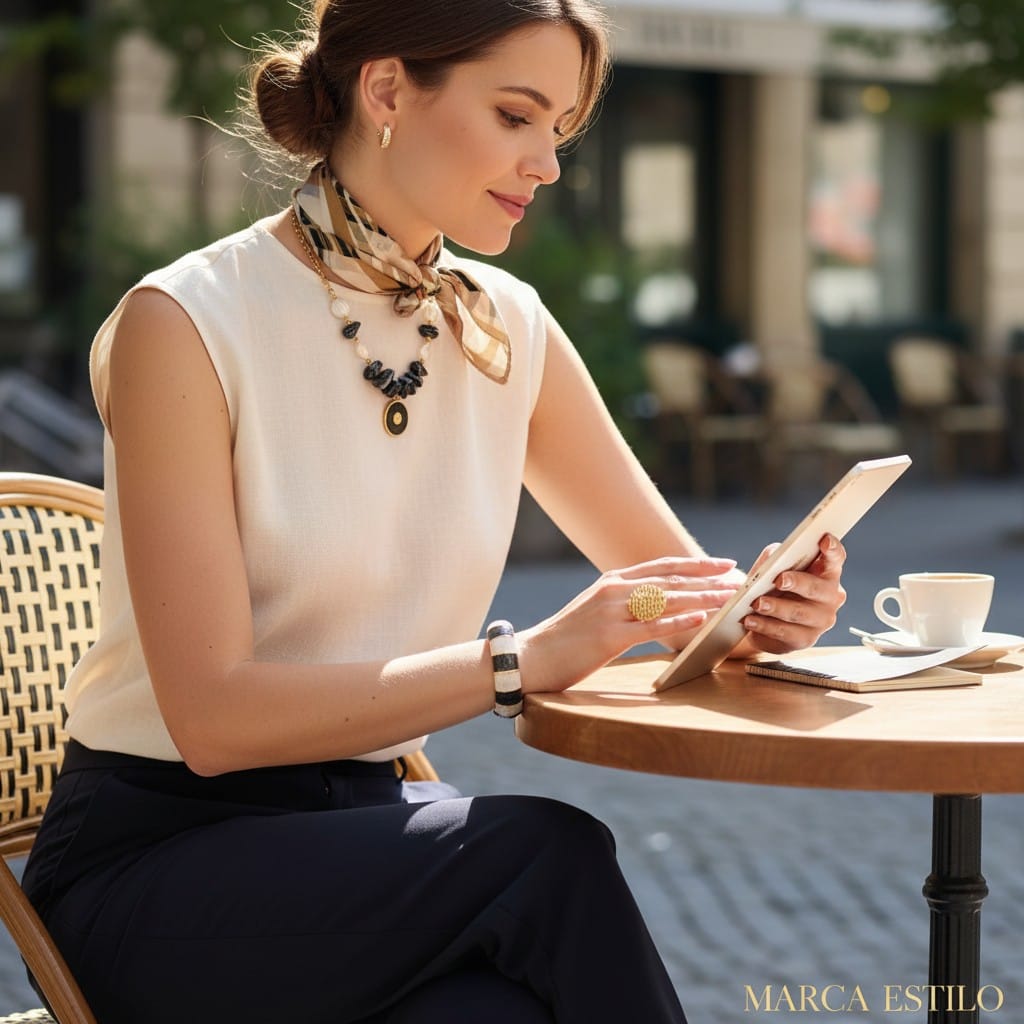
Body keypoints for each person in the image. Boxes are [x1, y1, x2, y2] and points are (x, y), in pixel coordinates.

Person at [22, 1, 847, 1021]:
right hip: (161, 864)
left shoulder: (509, 327)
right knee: (549, 851)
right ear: (385, 91)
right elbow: (212, 721)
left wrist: (762, 614)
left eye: (561, 129)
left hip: (375, 848)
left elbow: (674, 596)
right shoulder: (186, 322)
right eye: (515, 115)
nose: (546, 163)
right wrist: (519, 660)